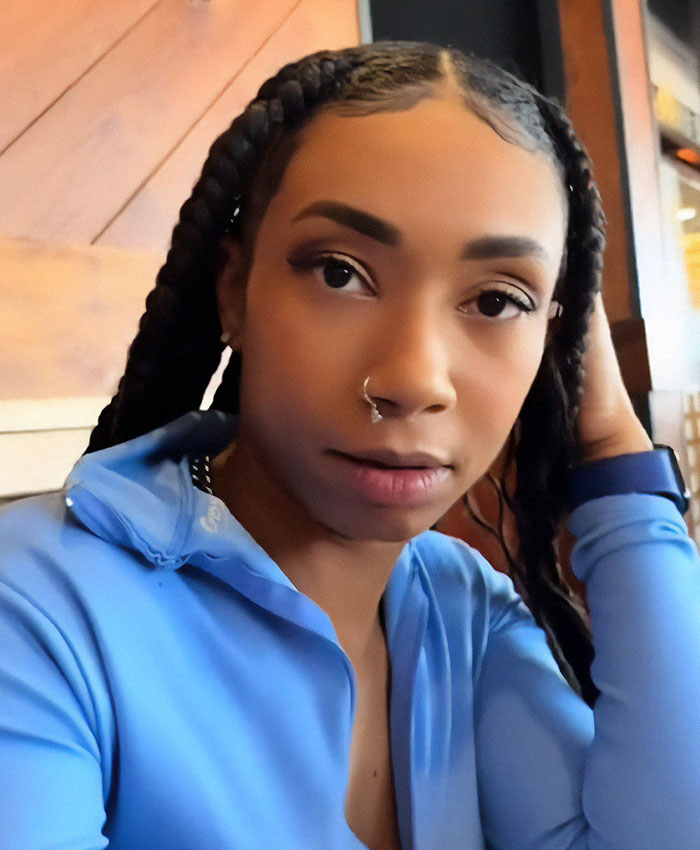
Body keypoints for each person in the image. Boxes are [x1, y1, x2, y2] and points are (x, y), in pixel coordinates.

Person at [1, 41, 698, 850]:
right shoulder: (38, 611)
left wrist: (612, 443)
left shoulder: (459, 610)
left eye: (497, 301)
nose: (413, 379)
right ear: (236, 291)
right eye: (339, 272)